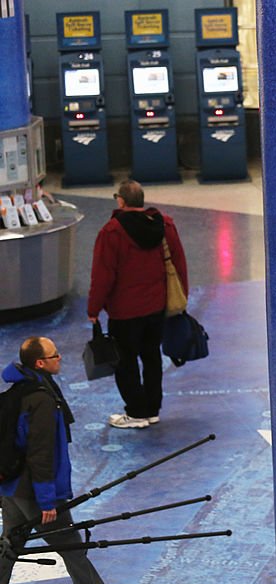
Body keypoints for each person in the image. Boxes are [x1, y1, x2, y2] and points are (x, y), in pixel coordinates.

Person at [1, 337, 134, 584]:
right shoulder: (43, 400)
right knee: (71, 544)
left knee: (8, 549)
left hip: (12, 488)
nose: (61, 358)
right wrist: (48, 500)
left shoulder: (19, 392)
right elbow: (42, 453)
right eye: (55, 355)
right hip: (35, 492)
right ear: (40, 363)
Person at [88, 179, 188, 429]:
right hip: (157, 307)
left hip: (125, 311)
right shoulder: (164, 225)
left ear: (120, 200)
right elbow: (178, 262)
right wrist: (181, 296)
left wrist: (93, 309)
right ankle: (153, 409)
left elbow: (103, 275)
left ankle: (136, 412)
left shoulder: (111, 232)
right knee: (152, 356)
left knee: (125, 362)